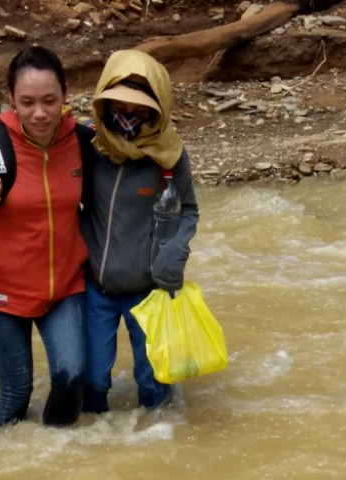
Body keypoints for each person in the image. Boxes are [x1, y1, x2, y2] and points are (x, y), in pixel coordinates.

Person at [0, 46, 89, 429]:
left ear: (65, 95)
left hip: (65, 285)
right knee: (16, 392)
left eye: (49, 101)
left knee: (71, 378)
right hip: (2, 289)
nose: (39, 113)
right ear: (11, 99)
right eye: (27, 102)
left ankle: (56, 459)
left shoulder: (82, 142)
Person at [80, 49, 199, 412]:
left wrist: (174, 255)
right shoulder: (90, 147)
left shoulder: (170, 156)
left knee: (151, 380)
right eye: (119, 106)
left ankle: (159, 440)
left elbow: (188, 209)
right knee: (96, 379)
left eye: (139, 109)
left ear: (157, 107)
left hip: (147, 290)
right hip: (94, 287)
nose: (128, 116)